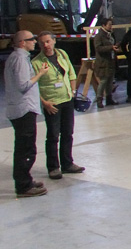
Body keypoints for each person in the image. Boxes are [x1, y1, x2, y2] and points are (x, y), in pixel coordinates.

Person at [33, 31, 85, 180]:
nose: (46, 45)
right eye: (42, 43)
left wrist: (73, 92)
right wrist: (44, 103)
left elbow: (71, 74)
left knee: (68, 133)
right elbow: (33, 86)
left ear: (54, 41)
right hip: (52, 103)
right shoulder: (36, 62)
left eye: (48, 41)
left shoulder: (62, 54)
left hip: (67, 99)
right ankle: (53, 167)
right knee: (53, 136)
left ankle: (67, 163)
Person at [5, 31, 49, 197]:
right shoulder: (19, 59)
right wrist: (40, 74)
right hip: (24, 109)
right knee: (26, 149)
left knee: (25, 147)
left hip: (23, 108)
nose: (35, 42)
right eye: (31, 39)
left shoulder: (19, 58)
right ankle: (23, 185)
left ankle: (25, 180)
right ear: (22, 42)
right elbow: (23, 85)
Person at [93, 16, 119, 108]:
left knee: (110, 81)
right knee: (103, 81)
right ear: (103, 25)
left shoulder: (110, 34)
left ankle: (109, 98)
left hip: (111, 61)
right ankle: (99, 99)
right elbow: (98, 48)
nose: (111, 26)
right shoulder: (99, 36)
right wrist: (110, 47)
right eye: (109, 24)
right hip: (103, 62)